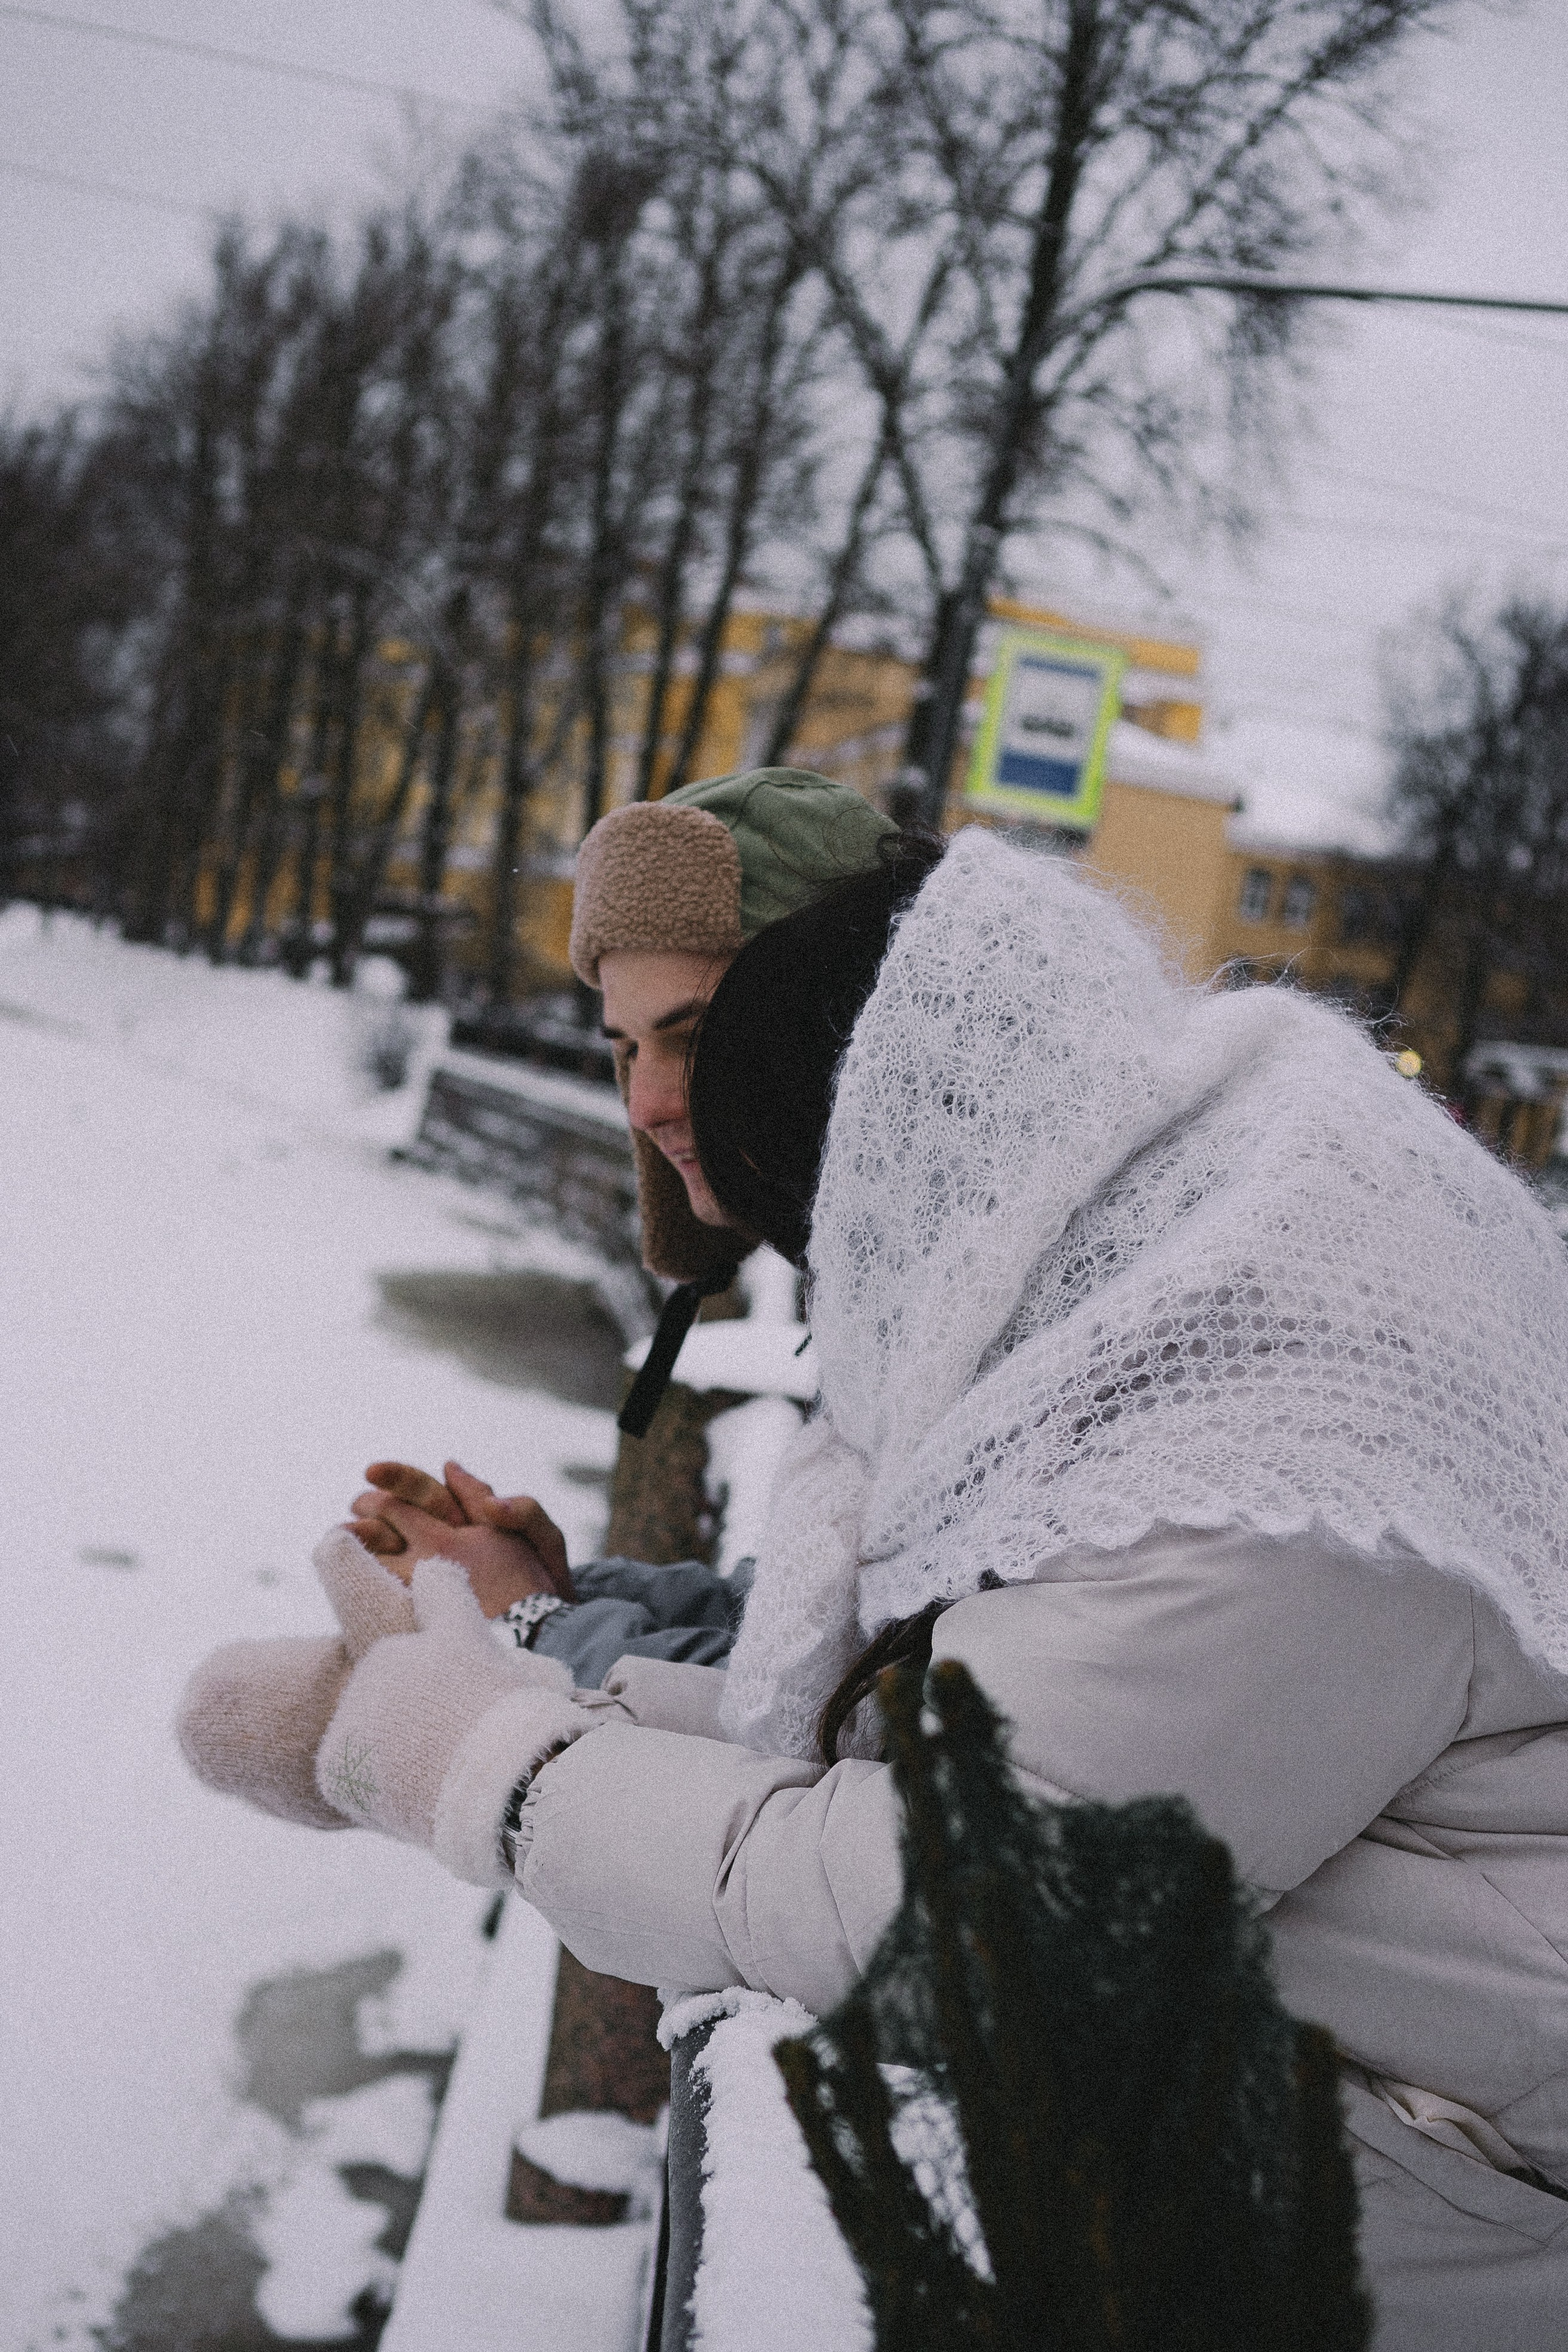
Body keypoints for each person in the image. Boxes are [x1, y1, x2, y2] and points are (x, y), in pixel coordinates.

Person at [182, 818, 1568, 2348]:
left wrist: (485, 1761)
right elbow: (945, 1708)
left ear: (892, 1104)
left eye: (693, 1040)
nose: (653, 1107)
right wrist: (524, 1656)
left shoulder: (1277, 1401)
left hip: (1441, 2217)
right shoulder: (1146, 1241)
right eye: (624, 1049)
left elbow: (945, 1904)